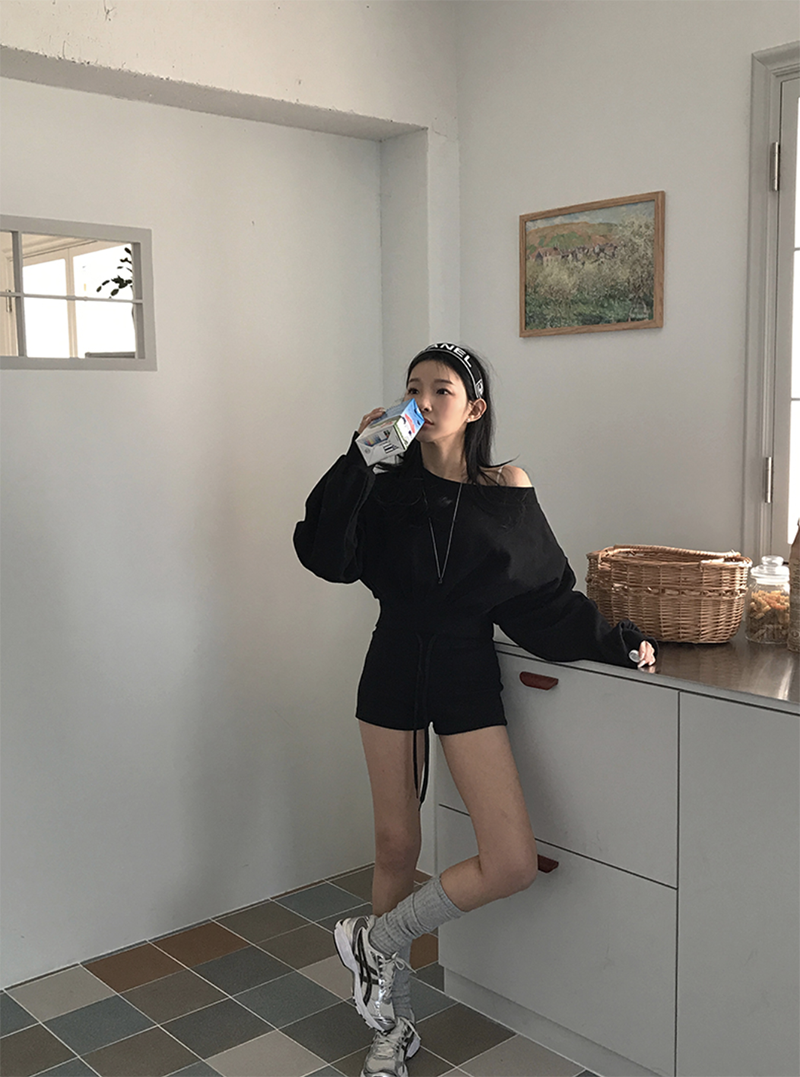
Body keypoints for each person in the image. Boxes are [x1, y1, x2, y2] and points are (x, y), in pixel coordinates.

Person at [293, 342, 656, 1077]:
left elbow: (542, 596)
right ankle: (393, 1024)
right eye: (414, 388)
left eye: (442, 390)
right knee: (396, 846)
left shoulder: (506, 486)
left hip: (464, 667)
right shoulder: (382, 483)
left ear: (475, 407)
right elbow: (324, 554)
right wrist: (358, 460)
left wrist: (614, 642)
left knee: (511, 860)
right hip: (393, 660)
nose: (424, 402)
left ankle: (375, 942)